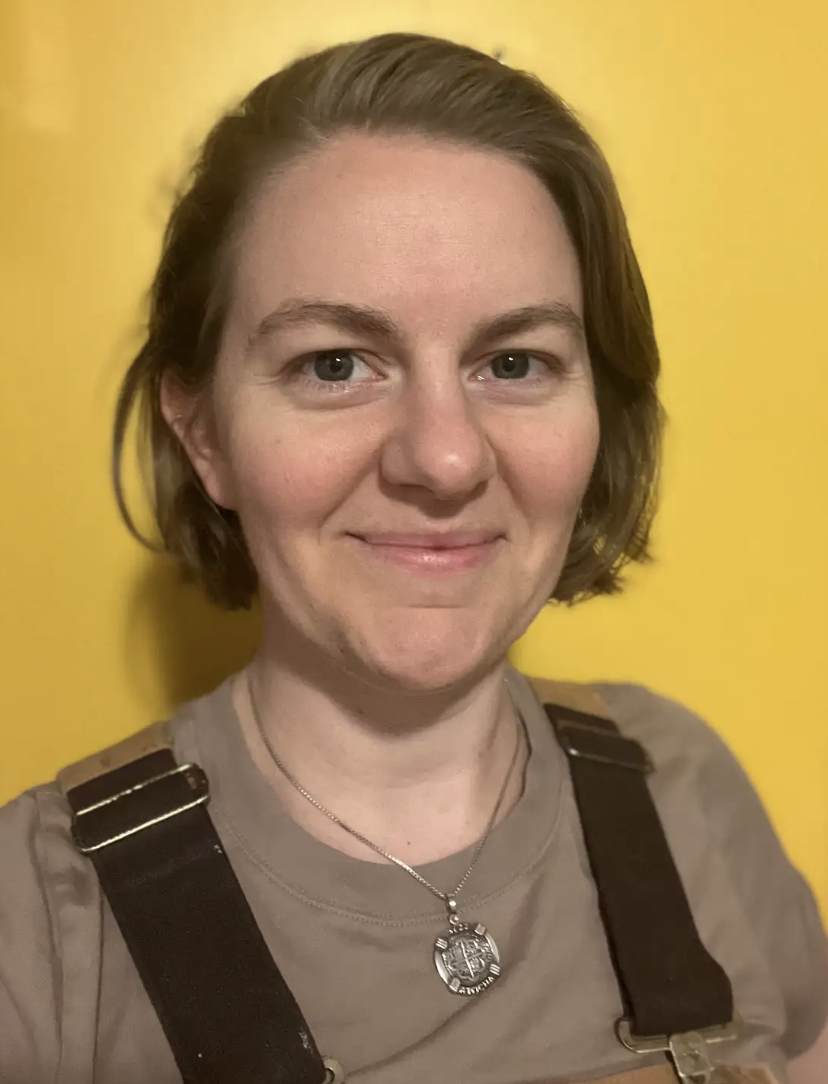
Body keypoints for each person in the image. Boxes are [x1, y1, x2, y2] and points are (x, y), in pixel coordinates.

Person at [0, 32, 825, 1084]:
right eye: (335, 364)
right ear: (203, 431)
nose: (443, 457)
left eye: (514, 362)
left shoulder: (686, 785)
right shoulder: (36, 925)